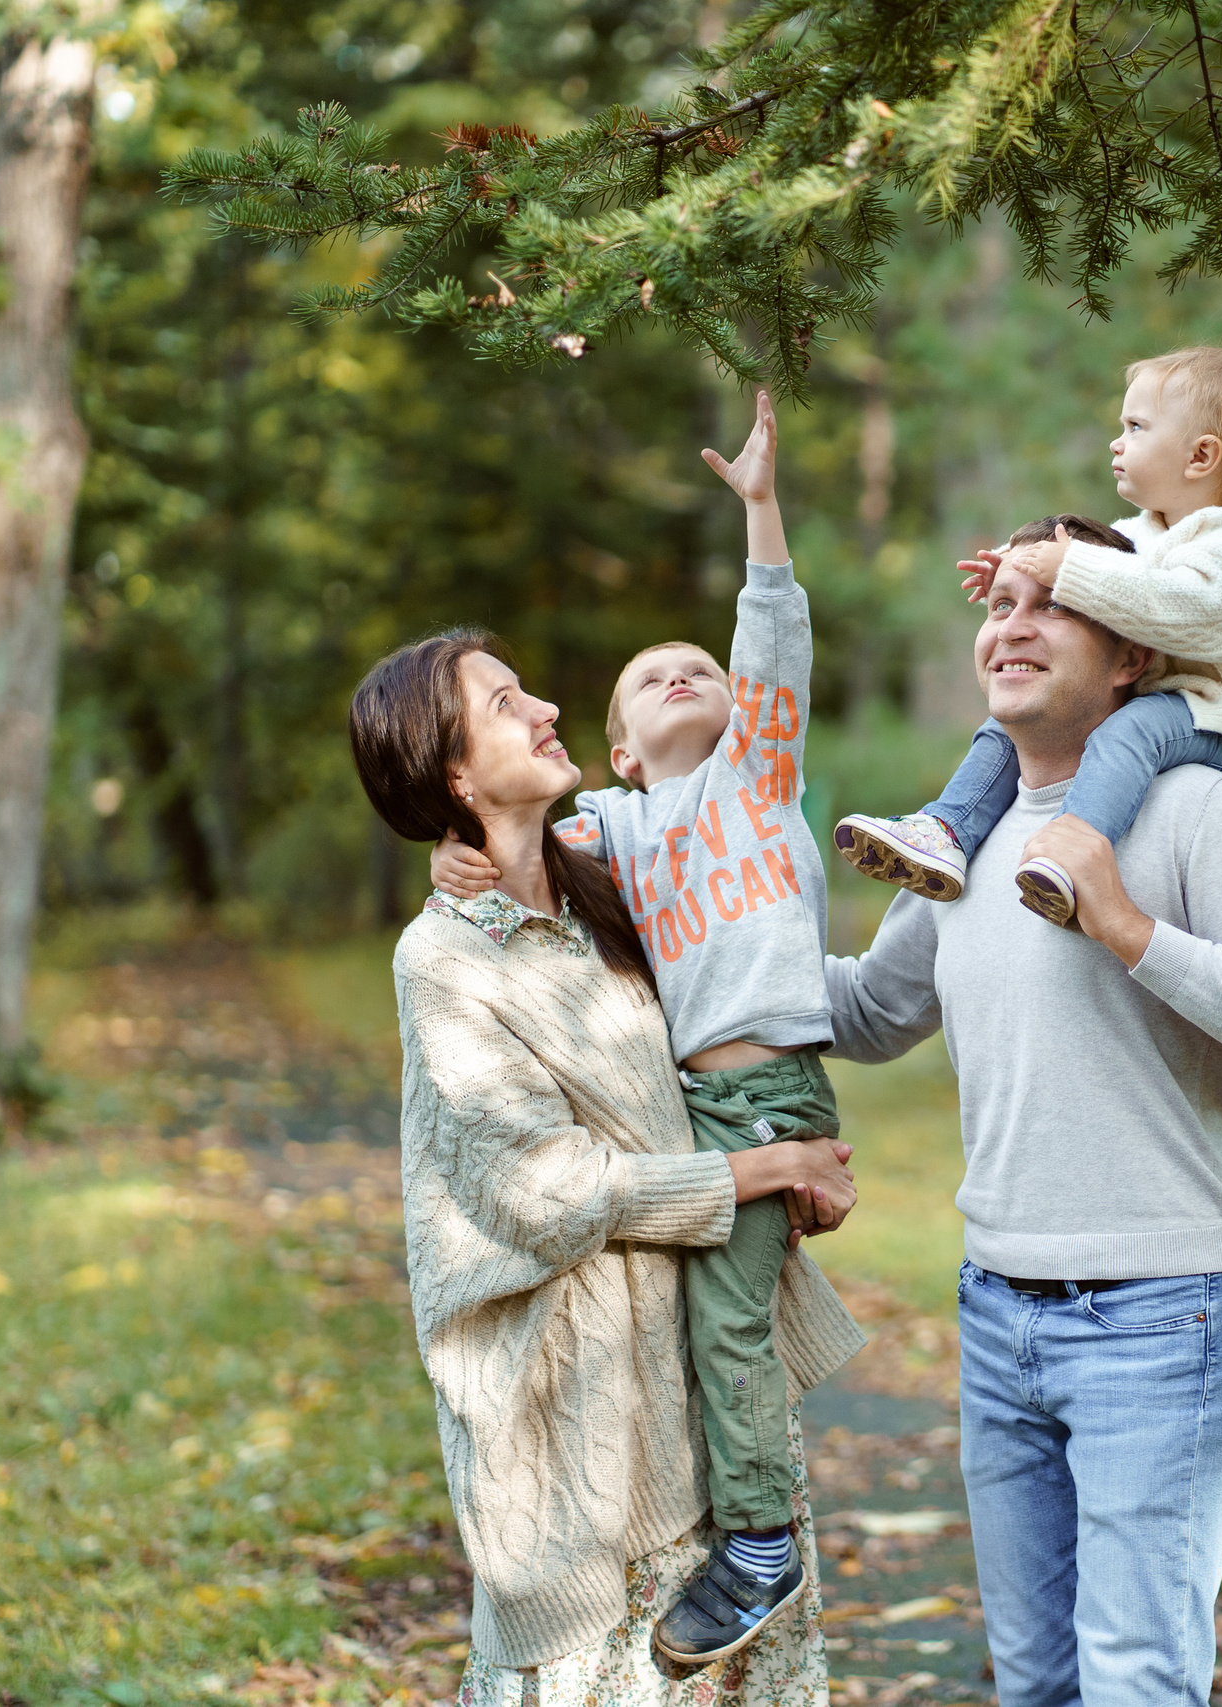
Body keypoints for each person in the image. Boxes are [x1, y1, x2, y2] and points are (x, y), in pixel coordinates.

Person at [822, 558, 1222, 1707]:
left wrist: (1124, 926)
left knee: (1136, 1684)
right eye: (998, 606)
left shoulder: (1200, 812)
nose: (1011, 627)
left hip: (1158, 1321)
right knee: (1035, 1685)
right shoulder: (956, 839)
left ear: (1131, 656)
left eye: (1050, 604)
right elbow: (870, 1013)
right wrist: (675, 945)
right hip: (995, 1309)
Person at [349, 626, 864, 1704]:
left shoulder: (610, 893)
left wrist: (781, 1164)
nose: (543, 708)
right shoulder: (444, 960)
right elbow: (547, 1190)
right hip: (577, 1419)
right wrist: (756, 1178)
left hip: (700, 1390)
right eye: (503, 704)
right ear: (451, 774)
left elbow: (725, 1047)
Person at [429, 391, 856, 1664]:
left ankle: (761, 1543)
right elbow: (504, 856)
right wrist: (446, 863)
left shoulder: (755, 784)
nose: (684, 677)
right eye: (650, 679)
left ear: (738, 715)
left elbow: (773, 644)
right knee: (686, 1335)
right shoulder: (610, 833)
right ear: (617, 746)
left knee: (725, 1332)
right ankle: (701, 1526)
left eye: (701, 672)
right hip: (690, 1116)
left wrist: (762, 516)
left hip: (772, 1094)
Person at [833, 346, 1222, 929]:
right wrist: (1016, 567)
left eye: (1135, 427)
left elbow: (1184, 607)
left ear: (1201, 455)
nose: (1116, 441)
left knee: (1131, 732)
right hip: (1163, 698)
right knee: (1005, 724)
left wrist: (1069, 569)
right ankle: (947, 829)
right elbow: (1105, 565)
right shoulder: (1147, 529)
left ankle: (1076, 849)